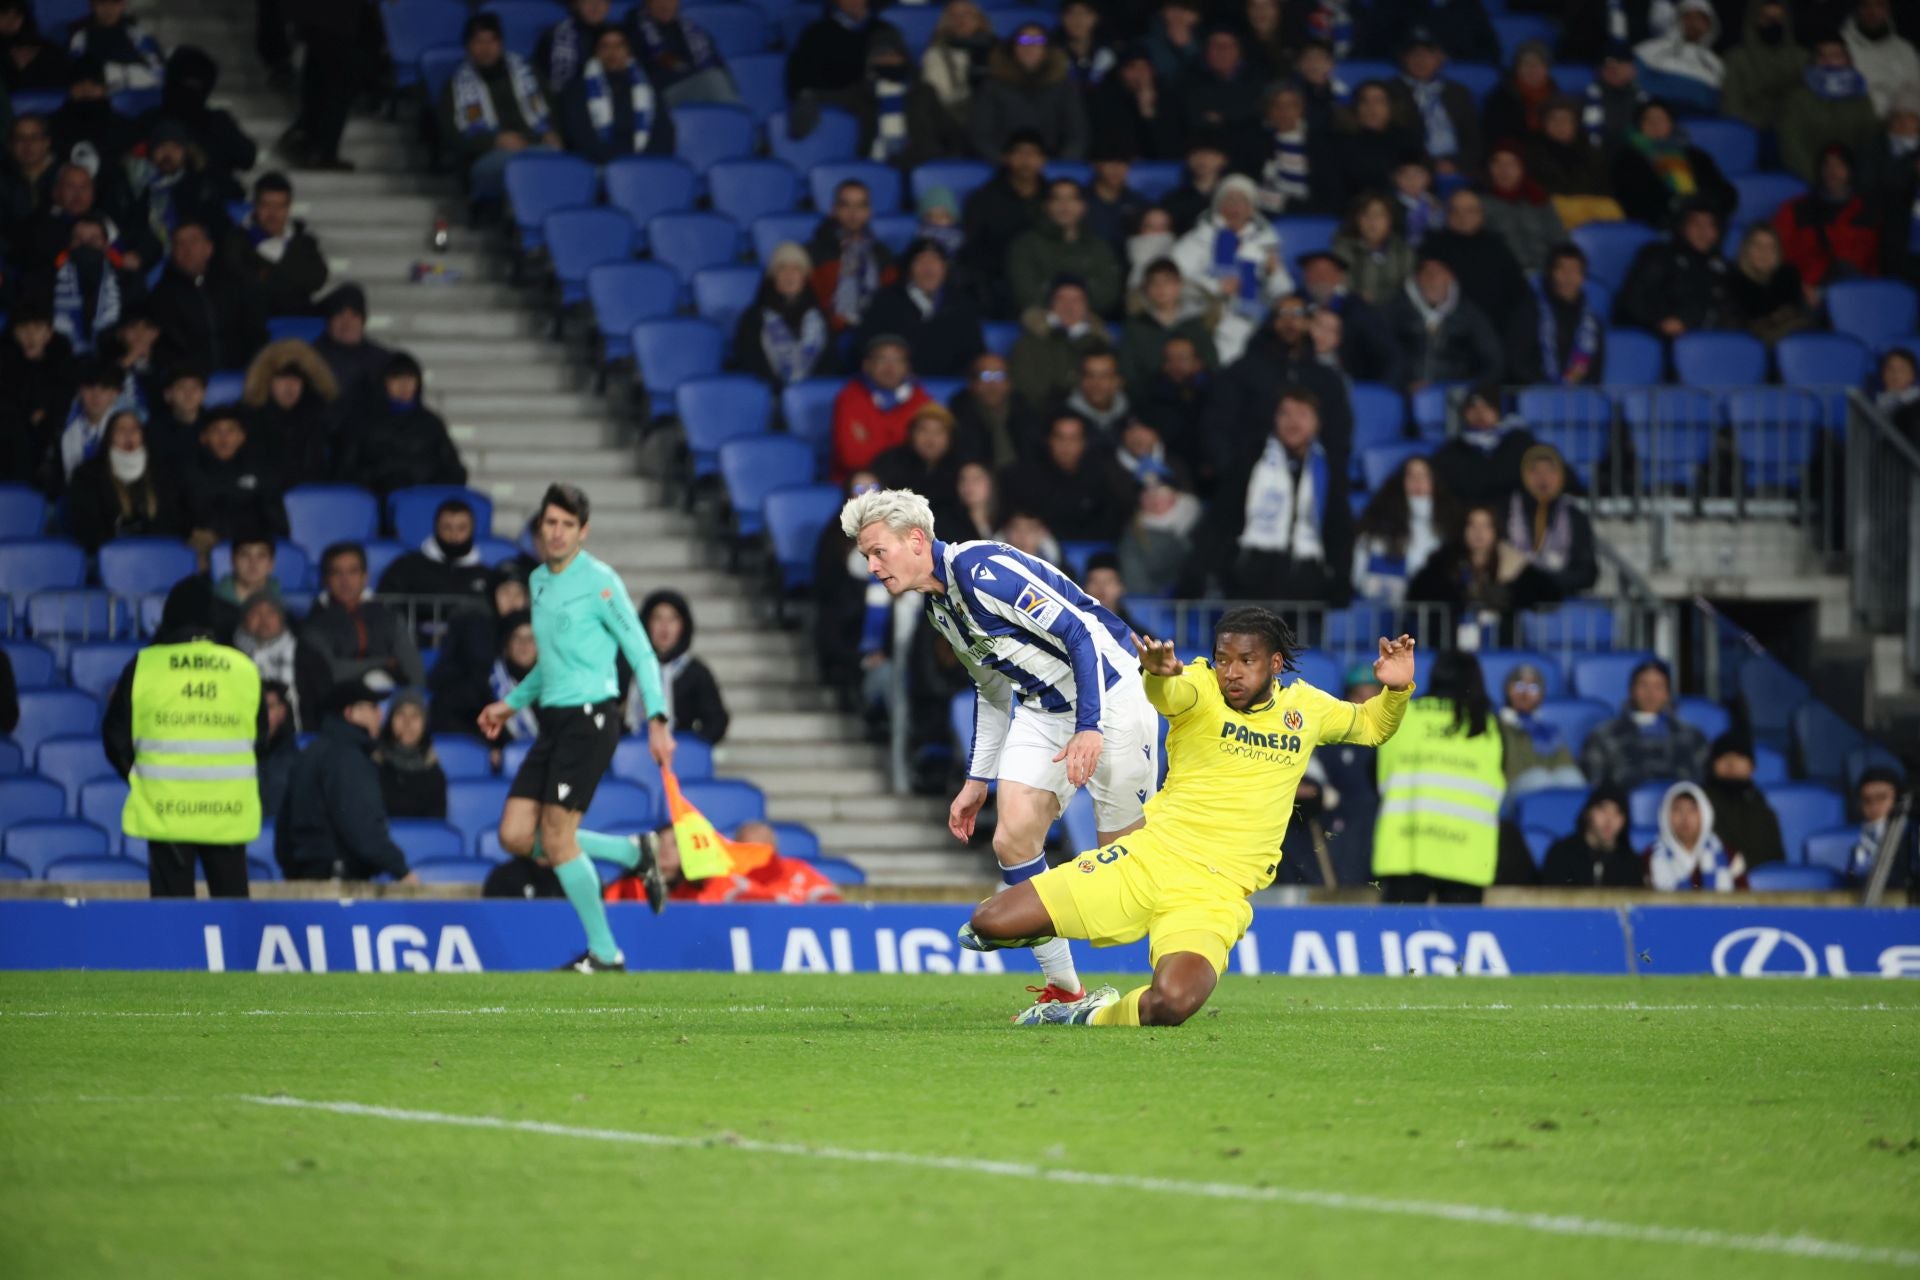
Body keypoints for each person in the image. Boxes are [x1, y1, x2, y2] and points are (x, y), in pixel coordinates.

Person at [962, 610, 1415, 1025]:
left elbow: (1372, 726)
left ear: (1276, 664)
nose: (1231, 673)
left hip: (1214, 896)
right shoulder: (1200, 686)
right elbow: (1172, 695)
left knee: (1172, 1003)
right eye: (1223, 659)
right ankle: (1053, 958)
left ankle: (1088, 1014)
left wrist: (1396, 690)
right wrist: (1158, 677)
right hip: (1148, 861)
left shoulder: (1307, 710)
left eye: (1246, 661)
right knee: (988, 924)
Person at [843, 485, 1165, 1012]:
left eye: (878, 551)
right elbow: (991, 689)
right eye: (866, 556)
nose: (873, 565)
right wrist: (977, 781)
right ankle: (1066, 990)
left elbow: (1080, 634)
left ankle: (1192, 935)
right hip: (1044, 708)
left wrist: (1090, 726)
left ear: (917, 540)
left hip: (1111, 695)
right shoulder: (940, 609)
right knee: (1013, 840)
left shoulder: (983, 570)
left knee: (1127, 878)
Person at [477, 484, 675, 970]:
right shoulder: (539, 581)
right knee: (514, 834)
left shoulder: (601, 581)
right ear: (540, 529)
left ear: (583, 532)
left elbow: (641, 652)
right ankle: (632, 852)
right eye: (551, 523)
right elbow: (551, 665)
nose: (558, 533)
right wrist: (509, 704)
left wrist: (657, 718)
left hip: (592, 718)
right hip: (555, 721)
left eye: (568, 525)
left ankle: (605, 954)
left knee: (560, 839)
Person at [101, 575, 267, 899]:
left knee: (173, 915)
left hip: (167, 809)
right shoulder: (243, 668)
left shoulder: (144, 666)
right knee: (232, 908)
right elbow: (258, 740)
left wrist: (142, 776)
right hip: (227, 811)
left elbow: (114, 737)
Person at [1371, 648, 1502, 903]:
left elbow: (1375, 775)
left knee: (1398, 938)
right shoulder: (1487, 727)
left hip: (1405, 850)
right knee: (1460, 940)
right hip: (1466, 855)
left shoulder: (1404, 716)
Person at [276, 673, 422, 883]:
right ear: (351, 713)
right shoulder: (348, 757)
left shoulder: (310, 752)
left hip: (306, 878)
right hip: (339, 882)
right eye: (372, 707)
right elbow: (361, 825)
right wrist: (402, 870)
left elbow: (283, 832)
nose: (380, 715)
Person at [1217, 388, 1347, 601]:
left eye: (1302, 414)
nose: (1293, 422)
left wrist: (1339, 580)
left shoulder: (1328, 469)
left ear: (1317, 423)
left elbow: (1339, 530)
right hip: (1250, 581)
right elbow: (1222, 519)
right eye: (1285, 413)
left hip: (1307, 588)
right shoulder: (1251, 461)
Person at [1170, 174, 1293, 363]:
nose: (1235, 207)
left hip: (1255, 326)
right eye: (1229, 199)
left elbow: (1284, 293)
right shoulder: (1196, 240)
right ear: (1217, 206)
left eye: (1242, 200)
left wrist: (1272, 273)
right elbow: (1172, 281)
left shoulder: (1265, 242)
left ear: (1252, 209)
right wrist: (1216, 287)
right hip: (1205, 323)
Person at [440, 13, 561, 202]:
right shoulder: (454, 87)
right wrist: (494, 141)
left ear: (501, 43)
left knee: (551, 160)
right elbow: (452, 138)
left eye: (492, 41)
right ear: (467, 46)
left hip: (536, 145)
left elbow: (553, 112)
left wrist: (552, 133)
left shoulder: (528, 73)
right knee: (533, 165)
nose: (486, 48)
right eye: (479, 41)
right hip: (487, 157)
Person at [334, 352, 467, 497]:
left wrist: (423, 483)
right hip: (374, 503)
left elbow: (454, 471)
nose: (404, 385)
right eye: (397, 378)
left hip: (421, 502)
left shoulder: (431, 423)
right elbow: (344, 471)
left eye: (410, 378)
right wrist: (380, 480)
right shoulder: (361, 423)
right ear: (384, 382)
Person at [147, 218, 269, 373]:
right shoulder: (162, 294)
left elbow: (256, 332)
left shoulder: (237, 284)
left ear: (209, 248)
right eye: (180, 243)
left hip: (242, 375)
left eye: (193, 241)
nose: (187, 249)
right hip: (190, 382)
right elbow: (167, 348)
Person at [301, 542, 428, 688]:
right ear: (325, 579)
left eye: (353, 572)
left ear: (365, 577)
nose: (345, 581)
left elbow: (414, 672)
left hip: (388, 701)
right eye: (336, 572)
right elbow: (331, 671)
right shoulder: (312, 624)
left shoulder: (389, 618)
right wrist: (383, 662)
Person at [854, 239, 984, 379]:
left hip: (952, 387)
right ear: (909, 268)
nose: (928, 268)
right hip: (896, 387)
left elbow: (976, 354)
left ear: (945, 268)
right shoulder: (884, 302)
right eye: (921, 261)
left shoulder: (962, 305)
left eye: (935, 261)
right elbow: (866, 349)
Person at [997, 412, 1133, 542]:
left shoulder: (1101, 475)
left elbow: (1112, 522)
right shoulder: (1022, 477)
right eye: (1060, 438)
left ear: (1084, 443)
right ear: (1049, 440)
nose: (1066, 445)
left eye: (1074, 438)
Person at [1581, 658, 1709, 790]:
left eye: (1658, 686)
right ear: (1631, 690)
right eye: (1644, 685)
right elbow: (1595, 785)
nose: (1650, 693)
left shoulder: (1692, 737)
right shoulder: (1603, 736)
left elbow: (1701, 785)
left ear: (1668, 694)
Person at [1384, 253, 1505, 392]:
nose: (1432, 280)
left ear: (1450, 277)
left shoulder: (1469, 314)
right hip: (1400, 394)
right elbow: (1381, 355)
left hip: (1456, 398)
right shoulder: (1395, 311)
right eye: (1427, 274)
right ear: (1417, 278)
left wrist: (1469, 390)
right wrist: (1401, 385)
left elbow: (1493, 360)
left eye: (1439, 273)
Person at [557, 24, 676, 164]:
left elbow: (664, 133)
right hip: (599, 166)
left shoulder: (648, 87)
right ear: (596, 52)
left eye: (619, 46)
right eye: (605, 46)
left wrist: (642, 162)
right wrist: (619, 165)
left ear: (629, 51)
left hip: (645, 164)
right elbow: (582, 138)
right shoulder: (577, 89)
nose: (612, 52)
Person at [66, 408, 181, 551]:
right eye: (121, 429)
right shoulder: (87, 475)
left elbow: (170, 521)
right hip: (108, 555)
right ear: (109, 437)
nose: (129, 434)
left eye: (135, 429)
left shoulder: (160, 472)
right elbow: (87, 527)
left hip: (154, 553)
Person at [960, 130, 1048, 315]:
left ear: (1043, 160)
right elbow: (972, 250)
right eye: (1019, 153)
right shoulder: (983, 199)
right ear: (1006, 158)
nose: (1026, 160)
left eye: (1033, 153)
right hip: (999, 285)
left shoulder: (1055, 198)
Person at [1773, 143, 1883, 291]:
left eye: (1839, 165)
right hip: (1806, 290)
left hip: (1856, 294)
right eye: (1827, 165)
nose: (1833, 171)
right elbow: (1776, 254)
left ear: (1850, 171)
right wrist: (1798, 286)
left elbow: (1874, 264)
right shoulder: (1795, 209)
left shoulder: (1868, 213)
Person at [970, 22, 1087, 161]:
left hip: (1052, 167)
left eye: (1038, 41)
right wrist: (1004, 163)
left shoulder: (1063, 85)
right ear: (1013, 48)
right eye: (1023, 40)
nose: (1030, 46)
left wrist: (1058, 168)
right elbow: (980, 134)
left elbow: (1077, 134)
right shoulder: (992, 85)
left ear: (1047, 49)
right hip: (1004, 166)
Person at [1611, 100, 1736, 229]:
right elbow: (1634, 202)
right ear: (1639, 126)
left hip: (1703, 221)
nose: (1655, 125)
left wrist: (1704, 205)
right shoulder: (1628, 160)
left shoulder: (1696, 156)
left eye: (1661, 119)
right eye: (1648, 120)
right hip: (1661, 226)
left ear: (1671, 123)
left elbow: (1725, 193)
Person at [1617, 201, 1732, 339]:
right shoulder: (1659, 256)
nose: (1703, 231)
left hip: (1711, 340)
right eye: (1696, 224)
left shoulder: (1721, 266)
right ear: (1683, 227)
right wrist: (1660, 321)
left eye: (1710, 225)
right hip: (1661, 338)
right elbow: (1632, 299)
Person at [1007, 179, 1121, 318]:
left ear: (1083, 206)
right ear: (1046, 206)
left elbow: (1107, 291)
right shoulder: (1026, 244)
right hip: (1042, 320)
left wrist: (1078, 311)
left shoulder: (1098, 246)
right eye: (1057, 199)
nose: (1064, 206)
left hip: (1088, 322)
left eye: (1071, 199)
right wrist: (1061, 310)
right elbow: (1025, 291)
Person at [221, 171, 328, 318]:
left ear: (288, 207)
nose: (273, 214)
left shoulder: (303, 239)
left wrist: (268, 275)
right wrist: (293, 277)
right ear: (255, 206)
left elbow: (318, 278)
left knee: (349, 296)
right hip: (255, 321)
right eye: (266, 205)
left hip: (300, 314)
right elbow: (244, 283)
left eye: (280, 206)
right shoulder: (236, 240)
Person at [181, 409, 289, 550]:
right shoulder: (190, 473)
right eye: (216, 431)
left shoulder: (260, 471)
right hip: (206, 547)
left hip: (252, 545)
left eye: (231, 431)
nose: (224, 438)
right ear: (204, 438)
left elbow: (276, 521)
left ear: (241, 437)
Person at [1351, 455, 1453, 605]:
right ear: (1400, 483)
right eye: (1411, 476)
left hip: (1436, 615)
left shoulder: (1451, 528)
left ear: (1435, 482)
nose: (1418, 482)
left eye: (1424, 476)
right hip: (1388, 616)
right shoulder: (1378, 529)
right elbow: (1358, 575)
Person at [734, 242, 837, 388]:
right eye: (782, 268)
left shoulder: (821, 317)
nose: (789, 275)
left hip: (811, 394)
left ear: (805, 277)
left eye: (796, 268)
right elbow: (750, 364)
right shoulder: (753, 318)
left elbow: (830, 363)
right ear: (772, 276)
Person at [831, 334, 932, 482]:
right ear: (867, 365)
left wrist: (870, 441)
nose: (890, 368)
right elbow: (853, 458)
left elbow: (932, 455)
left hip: (911, 485)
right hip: (858, 487)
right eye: (882, 359)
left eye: (898, 360)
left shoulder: (922, 401)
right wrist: (906, 452)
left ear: (908, 367)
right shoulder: (849, 398)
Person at [1780, 38, 1882, 183]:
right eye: (1822, 56)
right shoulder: (1796, 99)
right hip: (1810, 180)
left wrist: (1853, 178)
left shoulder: (1861, 97)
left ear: (1847, 60)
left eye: (1836, 56)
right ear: (1814, 60)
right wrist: (1822, 178)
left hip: (1854, 181)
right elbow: (1791, 146)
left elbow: (1870, 143)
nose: (1828, 61)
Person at [1386, 27, 1484, 178]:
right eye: (1414, 54)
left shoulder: (1458, 92)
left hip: (1460, 168)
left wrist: (1457, 164)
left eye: (1428, 54)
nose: (1421, 60)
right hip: (1412, 170)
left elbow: (1473, 139)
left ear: (1440, 59)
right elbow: (1397, 141)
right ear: (1404, 58)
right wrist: (1431, 165)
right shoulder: (1391, 92)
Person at [1504, 443, 1597, 601]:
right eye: (1535, 471)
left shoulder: (1575, 516)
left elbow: (1587, 572)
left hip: (1561, 600)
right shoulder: (1505, 512)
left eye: (1550, 471)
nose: (1543, 478)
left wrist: (1547, 582)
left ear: (1561, 476)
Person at [636, 589, 729, 744]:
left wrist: (689, 746)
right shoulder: (627, 668)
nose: (664, 628)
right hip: (629, 759)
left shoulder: (696, 673)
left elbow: (717, 721)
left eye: (673, 620)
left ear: (683, 626)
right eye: (657, 619)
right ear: (646, 623)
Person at [241, 339, 335, 490]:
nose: (290, 385)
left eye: (297, 379)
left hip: (312, 499)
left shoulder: (320, 418)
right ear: (266, 381)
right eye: (282, 377)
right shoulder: (247, 420)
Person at [1007, 276, 1111, 410]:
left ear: (1087, 306)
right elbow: (1025, 389)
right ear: (1050, 304)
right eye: (1061, 299)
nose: (1068, 306)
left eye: (1076, 300)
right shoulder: (1028, 343)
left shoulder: (1101, 344)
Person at [807, 179, 897, 334]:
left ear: (869, 212)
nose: (853, 213)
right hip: (826, 335)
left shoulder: (882, 254)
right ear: (834, 210)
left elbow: (893, 301)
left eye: (860, 205)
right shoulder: (815, 253)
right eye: (846, 205)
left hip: (873, 334)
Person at [233, 593, 331, 734]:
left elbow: (323, 704)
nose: (264, 620)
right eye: (255, 613)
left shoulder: (306, 656)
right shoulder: (231, 657)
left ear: (282, 618)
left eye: (271, 612)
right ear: (243, 620)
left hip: (300, 740)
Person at [1119, 257, 1216, 391]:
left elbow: (1211, 366)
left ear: (1179, 285)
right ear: (1146, 289)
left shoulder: (1196, 324)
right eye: (1154, 283)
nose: (1161, 288)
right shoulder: (1135, 327)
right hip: (1150, 400)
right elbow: (1128, 372)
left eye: (1167, 282)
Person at [785, 0, 902, 105]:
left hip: (878, 109)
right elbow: (802, 83)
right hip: (833, 111)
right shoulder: (816, 34)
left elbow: (904, 76)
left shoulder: (885, 32)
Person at [1498, 662, 1588, 796]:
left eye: (1533, 688)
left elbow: (1565, 764)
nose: (1525, 693)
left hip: (1547, 782)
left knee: (1572, 778)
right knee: (1538, 779)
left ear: (1541, 695)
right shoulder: (1496, 725)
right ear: (1507, 689)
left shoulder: (1550, 731)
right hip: (1509, 789)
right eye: (1519, 686)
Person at [378, 497, 493, 600]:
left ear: (472, 530)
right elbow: (385, 608)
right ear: (436, 528)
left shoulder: (485, 575)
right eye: (447, 527)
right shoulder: (406, 567)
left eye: (461, 528)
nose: (454, 535)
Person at [1644, 780, 1749, 891]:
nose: (1685, 818)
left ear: (1706, 814)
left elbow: (1745, 904)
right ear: (1665, 815)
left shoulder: (1729, 857)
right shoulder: (1649, 858)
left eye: (1692, 809)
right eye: (1677, 809)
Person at [629, 0, 737, 106]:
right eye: (659, 1)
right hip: (662, 94)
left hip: (693, 83)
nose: (666, 5)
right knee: (714, 80)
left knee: (719, 77)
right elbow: (649, 71)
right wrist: (691, 72)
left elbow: (715, 60)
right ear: (648, 3)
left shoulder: (688, 28)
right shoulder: (636, 28)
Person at [1720, 1, 1804, 138]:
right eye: (1766, 18)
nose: (1773, 23)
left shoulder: (1802, 59)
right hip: (1748, 133)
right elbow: (1732, 107)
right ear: (1754, 20)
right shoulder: (1736, 58)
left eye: (1778, 18)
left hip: (1792, 133)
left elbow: (1803, 106)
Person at [1702, 734, 1788, 866]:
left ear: (1752, 766)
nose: (1731, 762)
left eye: (1739, 756)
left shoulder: (1764, 810)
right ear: (1712, 765)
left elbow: (1777, 861)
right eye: (1723, 756)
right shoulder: (1699, 804)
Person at [1529, 244, 1607, 386]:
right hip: (1539, 395)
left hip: (1579, 396)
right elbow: (1519, 361)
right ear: (1551, 273)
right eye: (1562, 269)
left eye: (1574, 270)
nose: (1568, 277)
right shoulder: (1530, 311)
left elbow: (1596, 373)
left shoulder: (1593, 323)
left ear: (1583, 278)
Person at [310, 284, 391, 421]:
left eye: (354, 315)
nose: (347, 323)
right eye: (340, 315)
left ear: (363, 320)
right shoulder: (309, 357)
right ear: (329, 321)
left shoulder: (383, 359)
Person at [1482, 146, 1565, 277]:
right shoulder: (1478, 203)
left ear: (1522, 168)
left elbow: (1561, 240)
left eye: (1511, 164)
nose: (1504, 170)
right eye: (1497, 163)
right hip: (1505, 277)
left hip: (1546, 275)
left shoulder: (1538, 198)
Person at [920, 0, 993, 144]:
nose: (961, 20)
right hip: (954, 119)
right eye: (954, 16)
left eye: (967, 14)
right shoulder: (936, 54)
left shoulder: (997, 50)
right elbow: (941, 97)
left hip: (993, 117)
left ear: (979, 19)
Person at [1633, 0, 1724, 114]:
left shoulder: (1716, 64)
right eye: (1688, 17)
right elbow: (1633, 86)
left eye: (1700, 19)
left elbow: (1714, 103)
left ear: (1709, 24)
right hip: (1654, 121)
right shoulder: (1649, 50)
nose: (1693, 23)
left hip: (1700, 125)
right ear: (1677, 20)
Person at [1539, 786, 1642, 887]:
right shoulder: (1560, 854)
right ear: (1588, 813)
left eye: (1617, 812)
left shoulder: (1631, 863)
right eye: (1603, 809)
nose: (1609, 820)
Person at [951, 351, 1038, 469]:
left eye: (999, 376)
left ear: (1009, 383)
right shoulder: (958, 414)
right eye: (985, 376)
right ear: (972, 383)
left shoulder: (1025, 411)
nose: (992, 384)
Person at [1725, 223, 1811, 343]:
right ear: (1746, 249)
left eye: (1771, 247)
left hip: (1795, 339)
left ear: (1778, 251)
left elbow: (1800, 311)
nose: (1764, 252)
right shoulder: (1732, 280)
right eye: (1758, 245)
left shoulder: (1788, 275)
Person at [374, 690, 448, 821]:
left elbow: (435, 831)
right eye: (400, 714)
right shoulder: (373, 767)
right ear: (390, 721)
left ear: (424, 724)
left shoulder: (434, 774)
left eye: (415, 716)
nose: (407, 723)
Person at [1332, 193, 1415, 310]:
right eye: (1366, 215)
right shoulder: (1343, 247)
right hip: (1355, 310)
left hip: (1394, 312)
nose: (1372, 221)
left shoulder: (1402, 249)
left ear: (1391, 220)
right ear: (1356, 219)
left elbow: (1409, 288)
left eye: (1380, 215)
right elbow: (1341, 286)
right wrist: (1357, 297)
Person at [65, 0, 163, 93]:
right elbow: (76, 76)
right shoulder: (81, 37)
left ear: (123, 4)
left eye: (114, 2)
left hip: (136, 96)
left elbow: (158, 73)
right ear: (92, 5)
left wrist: (123, 75)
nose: (108, 9)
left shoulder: (137, 34)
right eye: (102, 2)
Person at [1842, 0, 1920, 116]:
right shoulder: (1841, 47)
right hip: (1853, 122)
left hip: (1897, 124)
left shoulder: (1904, 50)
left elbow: (1915, 91)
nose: (1872, 12)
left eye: (1879, 5)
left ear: (1888, 10)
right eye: (1865, 5)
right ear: (1857, 8)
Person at [1482, 39, 1561, 146]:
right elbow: (1496, 138)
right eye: (1526, 64)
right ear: (1517, 69)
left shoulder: (1559, 98)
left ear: (1547, 69)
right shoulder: (1500, 99)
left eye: (1538, 64)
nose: (1532, 69)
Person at [534, 0, 613, 95]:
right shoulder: (558, 38)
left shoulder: (619, 34)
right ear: (575, 4)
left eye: (602, 1)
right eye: (588, 1)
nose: (596, 6)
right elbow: (559, 89)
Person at [1847, 766, 1905, 881]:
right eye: (1867, 800)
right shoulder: (1855, 843)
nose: (1874, 806)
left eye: (1881, 798)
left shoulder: (1913, 837)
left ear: (1898, 801)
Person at [257, 680, 299, 819]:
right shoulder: (234, 756)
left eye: (268, 707)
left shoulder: (298, 760)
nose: (261, 714)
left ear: (282, 711)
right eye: (256, 707)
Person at [215, 533, 282, 611]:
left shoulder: (279, 603)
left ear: (271, 564)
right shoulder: (214, 601)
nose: (253, 562)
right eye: (244, 555)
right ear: (232, 562)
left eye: (261, 556)